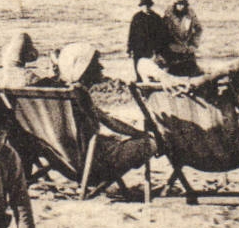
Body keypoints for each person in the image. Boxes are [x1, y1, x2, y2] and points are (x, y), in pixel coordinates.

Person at [48, 42, 157, 187]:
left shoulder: (56, 95)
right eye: (95, 63)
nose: (101, 67)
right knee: (150, 143)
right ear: (83, 68)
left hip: (62, 163)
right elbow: (110, 122)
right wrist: (142, 134)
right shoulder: (79, 95)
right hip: (91, 166)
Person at [126, 0, 174, 78]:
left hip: (151, 47)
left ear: (150, 5)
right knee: (138, 67)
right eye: (144, 5)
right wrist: (129, 48)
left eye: (148, 5)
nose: (146, 7)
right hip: (138, 47)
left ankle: (151, 79)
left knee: (151, 67)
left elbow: (161, 35)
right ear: (141, 6)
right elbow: (132, 34)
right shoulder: (136, 17)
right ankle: (139, 79)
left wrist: (159, 49)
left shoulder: (156, 18)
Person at [166, 0, 203, 74]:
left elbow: (199, 29)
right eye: (178, 3)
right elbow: (163, 31)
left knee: (192, 71)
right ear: (175, 3)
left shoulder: (190, 13)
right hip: (173, 50)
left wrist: (194, 44)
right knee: (173, 72)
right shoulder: (168, 14)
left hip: (187, 49)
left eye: (183, 4)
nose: (180, 6)